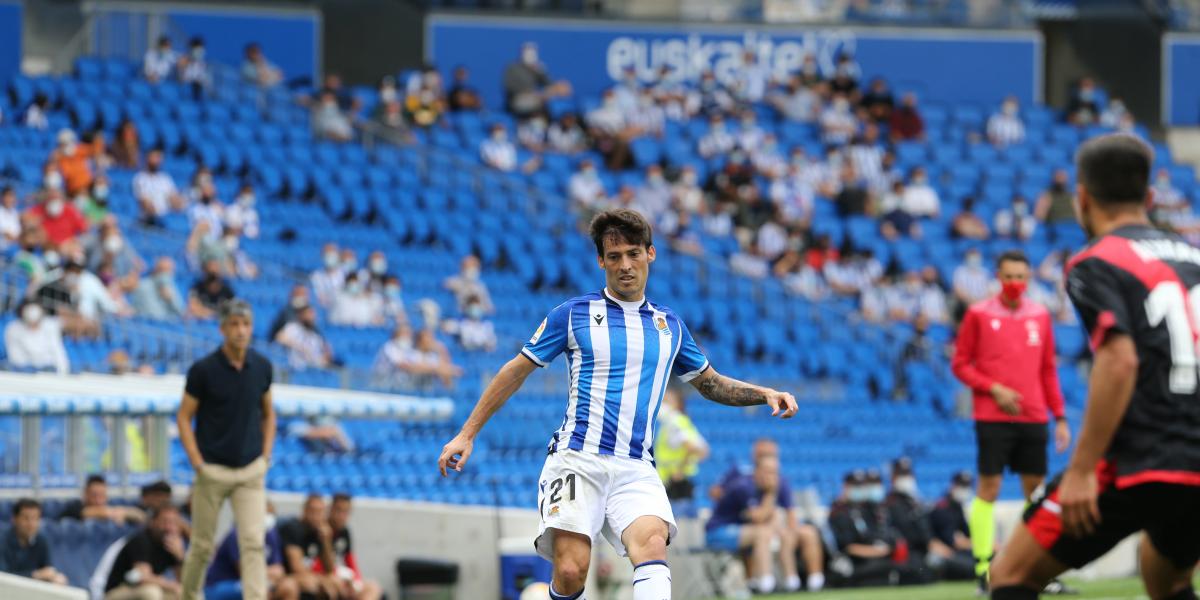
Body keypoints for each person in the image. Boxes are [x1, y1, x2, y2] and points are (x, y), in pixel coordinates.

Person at [438, 209, 799, 600]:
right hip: (578, 459)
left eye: (633, 254)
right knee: (573, 570)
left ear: (651, 254)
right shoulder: (573, 314)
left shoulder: (669, 326)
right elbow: (515, 370)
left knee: (652, 546)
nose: (625, 265)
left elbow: (709, 383)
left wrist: (764, 392)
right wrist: (466, 434)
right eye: (614, 257)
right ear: (601, 261)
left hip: (635, 467)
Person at [990, 134, 1200, 599]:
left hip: (1143, 456)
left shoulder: (1097, 260)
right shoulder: (1195, 260)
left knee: (1009, 575)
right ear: (1148, 198)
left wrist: (1083, 468)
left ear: (1082, 198)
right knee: (1167, 577)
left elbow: (1119, 359)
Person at [951, 250, 1071, 594]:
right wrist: (994, 389)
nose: (1015, 283)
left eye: (1021, 277)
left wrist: (1059, 416)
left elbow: (1048, 369)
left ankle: (1036, 567)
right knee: (988, 490)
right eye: (1009, 277)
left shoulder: (1040, 316)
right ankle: (984, 568)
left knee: (1036, 494)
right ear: (997, 277)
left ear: (1029, 278)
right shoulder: (978, 314)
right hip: (992, 417)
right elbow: (960, 364)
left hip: (1034, 416)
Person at [177, 299, 275, 600]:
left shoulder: (261, 366)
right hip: (213, 470)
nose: (240, 331)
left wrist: (265, 455)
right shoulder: (203, 370)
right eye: (234, 324)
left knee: (253, 542)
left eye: (245, 324)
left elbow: (269, 413)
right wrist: (197, 461)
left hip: (249, 470)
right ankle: (190, 596)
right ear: (222, 329)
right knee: (202, 545)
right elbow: (184, 416)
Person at [705, 454, 823, 594]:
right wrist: (771, 493)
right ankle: (765, 583)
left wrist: (789, 533)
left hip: (750, 531)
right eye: (768, 471)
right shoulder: (743, 486)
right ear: (757, 471)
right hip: (719, 531)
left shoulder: (781, 483)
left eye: (775, 472)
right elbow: (758, 518)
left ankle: (812, 581)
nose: (772, 476)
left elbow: (791, 515)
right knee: (762, 532)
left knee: (808, 532)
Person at [204, 505, 298, 600]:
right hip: (222, 584)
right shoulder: (236, 534)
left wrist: (265, 573)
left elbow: (279, 570)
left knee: (289, 586)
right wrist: (269, 572)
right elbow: (245, 572)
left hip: (258, 581)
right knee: (260, 590)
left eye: (270, 514)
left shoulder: (271, 534)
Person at [103, 506, 186, 600]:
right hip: (118, 591)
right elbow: (142, 577)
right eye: (164, 521)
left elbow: (184, 581)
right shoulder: (141, 540)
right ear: (153, 522)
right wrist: (172, 586)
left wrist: (180, 556)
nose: (169, 527)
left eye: (174, 522)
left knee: (188, 595)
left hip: (146, 588)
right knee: (151, 592)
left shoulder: (170, 544)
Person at [315, 494, 382, 600]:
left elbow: (350, 561)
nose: (342, 516)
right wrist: (326, 541)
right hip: (325, 577)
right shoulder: (320, 530)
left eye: (346, 512)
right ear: (330, 509)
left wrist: (356, 582)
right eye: (338, 510)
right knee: (334, 585)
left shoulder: (345, 532)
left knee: (373, 587)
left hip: (342, 577)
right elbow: (318, 566)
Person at [278, 495, 342, 600]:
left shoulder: (319, 531)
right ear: (304, 510)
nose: (316, 516)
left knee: (336, 582)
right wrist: (321, 580)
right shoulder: (293, 528)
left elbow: (330, 569)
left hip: (310, 576)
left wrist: (327, 541)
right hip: (288, 577)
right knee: (298, 585)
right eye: (313, 511)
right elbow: (297, 568)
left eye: (320, 512)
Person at [654, 388, 709, 501]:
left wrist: (679, 470)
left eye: (666, 401)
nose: (662, 405)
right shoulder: (683, 421)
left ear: (677, 404)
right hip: (675, 480)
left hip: (673, 483)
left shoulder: (675, 422)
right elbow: (704, 450)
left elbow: (693, 448)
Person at [0, 499, 68, 585]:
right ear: (14, 519)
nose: (31, 523)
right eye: (26, 518)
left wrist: (54, 577)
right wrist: (35, 575)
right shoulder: (2, 541)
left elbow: (47, 570)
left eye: (35, 518)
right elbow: (3, 578)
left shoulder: (41, 540)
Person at [928, 471, 978, 581]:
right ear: (953, 485)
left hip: (954, 551)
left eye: (967, 486)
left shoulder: (957, 507)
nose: (965, 490)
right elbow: (954, 542)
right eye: (962, 486)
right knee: (974, 568)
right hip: (943, 554)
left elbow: (968, 534)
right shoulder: (942, 508)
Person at [502, 42, 571, 118]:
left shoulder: (537, 68)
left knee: (558, 90)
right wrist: (530, 93)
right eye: (527, 52)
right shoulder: (512, 68)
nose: (530, 55)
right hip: (516, 101)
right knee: (539, 99)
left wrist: (542, 72)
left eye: (532, 52)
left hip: (535, 99)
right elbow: (509, 87)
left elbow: (548, 84)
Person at [4, 300, 69, 374]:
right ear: (22, 311)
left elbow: (58, 352)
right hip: (25, 373)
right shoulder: (13, 329)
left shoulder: (50, 326)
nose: (33, 313)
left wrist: (63, 371)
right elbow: (15, 358)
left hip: (50, 372)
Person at [59, 474, 145, 523]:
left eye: (102, 496)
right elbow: (89, 512)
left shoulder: (110, 506)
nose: (98, 501)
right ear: (85, 494)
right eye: (94, 496)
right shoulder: (75, 507)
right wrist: (117, 513)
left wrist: (123, 513)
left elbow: (140, 516)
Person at [133, 149, 185, 227]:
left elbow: (174, 199)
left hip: (166, 219)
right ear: (147, 158)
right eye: (154, 157)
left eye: (159, 157)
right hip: (149, 220)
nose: (157, 160)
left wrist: (179, 202)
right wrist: (158, 214)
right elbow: (145, 204)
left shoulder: (166, 178)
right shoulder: (140, 178)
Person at [275, 305, 333, 370]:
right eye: (309, 313)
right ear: (301, 315)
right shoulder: (293, 328)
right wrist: (299, 347)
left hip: (311, 371)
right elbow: (279, 337)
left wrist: (326, 357)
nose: (312, 317)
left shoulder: (315, 337)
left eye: (313, 314)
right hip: (293, 369)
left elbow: (320, 360)